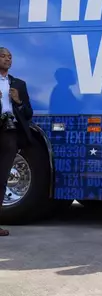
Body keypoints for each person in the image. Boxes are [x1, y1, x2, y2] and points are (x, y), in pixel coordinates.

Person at [0, 47, 33, 237]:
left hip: (9, 133)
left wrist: (18, 101)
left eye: (10, 57)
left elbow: (29, 114)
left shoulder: (18, 84)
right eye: (3, 56)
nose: (7, 59)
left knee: (2, 179)